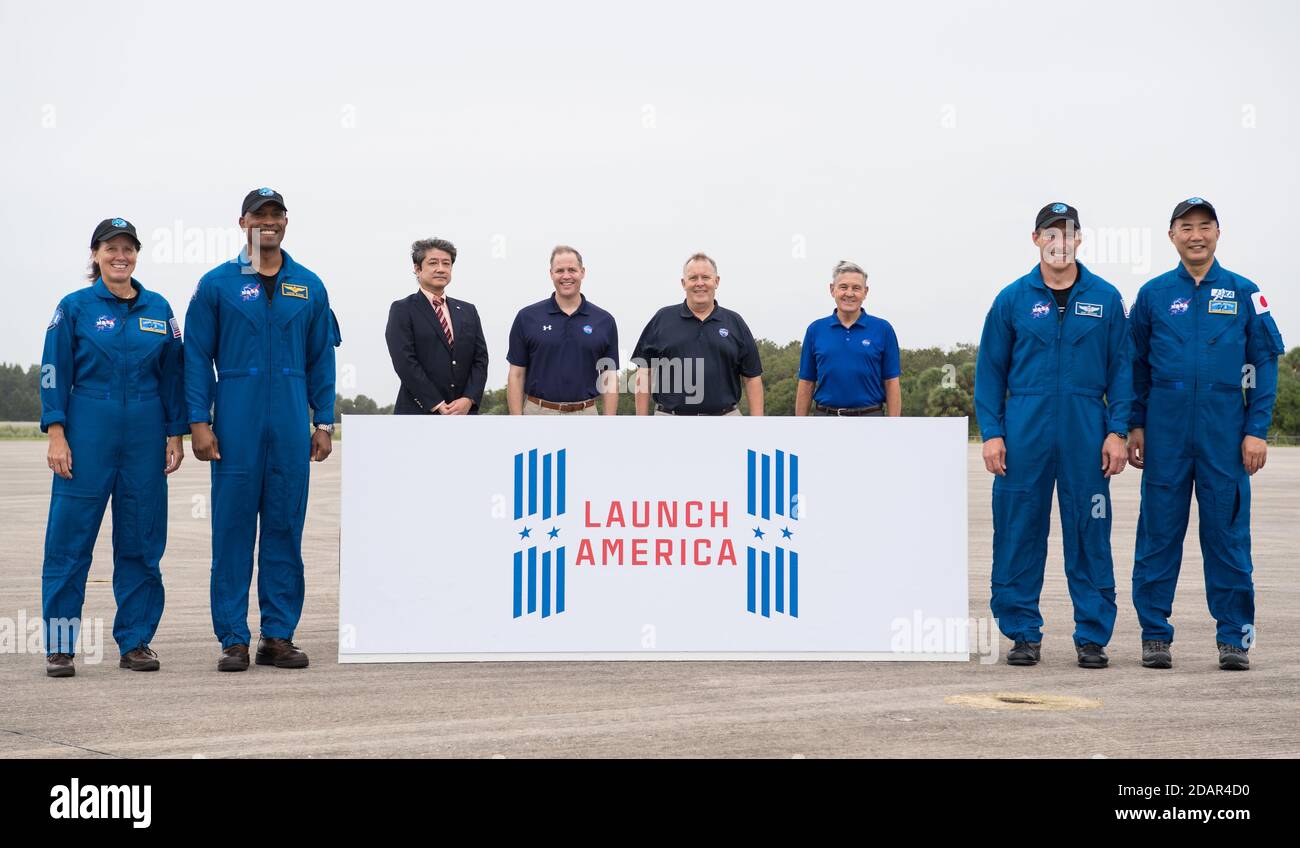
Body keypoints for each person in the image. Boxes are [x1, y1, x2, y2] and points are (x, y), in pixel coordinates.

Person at [184, 188, 339, 672]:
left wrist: (323, 421)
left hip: (292, 424)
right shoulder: (217, 285)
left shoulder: (309, 286)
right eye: (259, 215)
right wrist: (198, 422)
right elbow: (194, 358)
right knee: (231, 532)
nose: (267, 223)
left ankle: (277, 635)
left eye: (275, 215)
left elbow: (322, 359)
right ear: (242, 222)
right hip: (235, 423)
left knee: (284, 530)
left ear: (286, 223)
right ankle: (233, 638)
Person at [1128, 198, 1285, 671]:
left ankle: (1234, 639)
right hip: (1166, 433)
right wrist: (1135, 423)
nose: (1196, 235)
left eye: (1205, 227)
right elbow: (1133, 366)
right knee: (1158, 537)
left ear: (1218, 232)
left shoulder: (1246, 292)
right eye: (1186, 227)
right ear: (1171, 235)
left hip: (1224, 433)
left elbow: (1265, 363)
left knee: (1228, 537)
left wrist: (1256, 430)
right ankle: (1155, 635)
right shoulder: (1152, 295)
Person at [974, 202, 1132, 669]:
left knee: (1090, 533)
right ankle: (1022, 633)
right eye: (1050, 233)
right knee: (1018, 531)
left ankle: (1091, 636)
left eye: (1068, 233)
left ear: (1079, 240)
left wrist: (1117, 429)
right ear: (1036, 239)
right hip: (1024, 431)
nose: (1059, 242)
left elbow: (1122, 370)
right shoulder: (1012, 299)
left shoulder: (1105, 299)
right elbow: (990, 372)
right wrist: (993, 433)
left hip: (1087, 430)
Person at [39, 217, 187, 677]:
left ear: (136, 254)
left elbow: (174, 376)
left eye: (128, 248)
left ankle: (136, 641)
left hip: (145, 434)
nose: (120, 256)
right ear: (96, 255)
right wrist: (56, 432)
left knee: (142, 543)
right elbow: (52, 370)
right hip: (87, 431)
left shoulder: (159, 309)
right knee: (69, 543)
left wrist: (175, 433)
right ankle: (60, 646)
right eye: (111, 248)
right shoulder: (75, 307)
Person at [632, 253, 763, 416]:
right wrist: (641, 422)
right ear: (683, 283)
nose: (700, 283)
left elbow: (752, 378)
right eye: (693, 278)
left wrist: (759, 425)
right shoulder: (662, 319)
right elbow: (645, 372)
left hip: (726, 422)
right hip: (669, 422)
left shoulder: (735, 322)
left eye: (706, 277)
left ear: (717, 281)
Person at [506, 245, 619, 415]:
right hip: (538, 413)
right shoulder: (527, 317)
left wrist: (608, 423)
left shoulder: (604, 320)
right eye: (560, 271)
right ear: (551, 273)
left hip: (586, 414)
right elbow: (516, 375)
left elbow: (609, 377)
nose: (566, 276)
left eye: (572, 270)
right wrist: (517, 421)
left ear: (582, 272)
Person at [385, 237, 489, 415]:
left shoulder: (468, 311)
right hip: (418, 413)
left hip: (464, 414)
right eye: (433, 263)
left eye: (446, 263)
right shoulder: (403, 309)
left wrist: (469, 399)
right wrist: (436, 403)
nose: (441, 269)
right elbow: (405, 362)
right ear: (417, 268)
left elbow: (480, 360)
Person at [795, 260, 902, 416]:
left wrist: (894, 426)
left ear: (865, 292)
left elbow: (892, 383)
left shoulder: (883, 329)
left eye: (856, 288)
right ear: (832, 290)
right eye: (843, 287)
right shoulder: (815, 330)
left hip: (871, 421)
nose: (849, 293)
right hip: (825, 420)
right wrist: (800, 425)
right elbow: (806, 382)